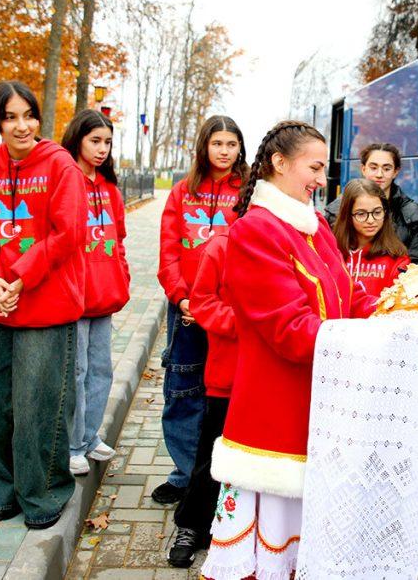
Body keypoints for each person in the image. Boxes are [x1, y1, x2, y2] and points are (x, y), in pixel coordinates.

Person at [201, 121, 377, 580]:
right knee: (273, 551)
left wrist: (400, 308)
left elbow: (348, 294)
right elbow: (290, 331)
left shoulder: (314, 224)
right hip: (276, 416)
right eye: (315, 167)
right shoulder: (254, 232)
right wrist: (368, 341)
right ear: (279, 164)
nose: (323, 179)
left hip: (321, 406)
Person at [0, 81, 86, 529]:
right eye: (10, 117)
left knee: (40, 405)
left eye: (29, 115)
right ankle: (0, 489)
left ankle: (42, 493)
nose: (22, 126)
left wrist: (21, 276)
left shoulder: (61, 167)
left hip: (46, 303)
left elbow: (67, 233)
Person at [155, 116, 247, 505]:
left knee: (225, 394)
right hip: (187, 311)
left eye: (231, 143)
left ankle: (223, 475)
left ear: (240, 148)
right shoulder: (181, 192)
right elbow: (169, 253)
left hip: (229, 310)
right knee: (183, 389)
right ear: (204, 147)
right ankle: (183, 474)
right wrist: (184, 299)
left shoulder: (248, 192)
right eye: (217, 143)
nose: (224, 151)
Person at [61, 110, 130, 476]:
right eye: (94, 141)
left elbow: (118, 240)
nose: (102, 149)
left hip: (104, 294)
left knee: (100, 368)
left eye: (107, 142)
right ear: (77, 139)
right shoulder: (64, 180)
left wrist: (123, 276)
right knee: (76, 370)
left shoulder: (109, 189)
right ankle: (72, 444)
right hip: (73, 295)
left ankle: (90, 437)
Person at [168, 232, 236, 568]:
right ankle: (192, 524)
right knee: (212, 450)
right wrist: (250, 324)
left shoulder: (298, 238)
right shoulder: (223, 243)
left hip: (273, 372)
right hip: (228, 369)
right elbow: (204, 301)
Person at [323, 142, 418, 262]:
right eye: (373, 168)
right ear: (363, 169)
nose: (379, 174)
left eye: (387, 168)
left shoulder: (413, 214)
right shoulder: (336, 210)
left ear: (396, 172)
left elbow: (416, 264)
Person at [332, 178, 409, 298]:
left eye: (377, 212)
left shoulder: (398, 259)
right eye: (361, 214)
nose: (371, 220)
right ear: (347, 215)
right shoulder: (332, 252)